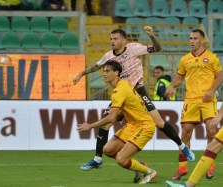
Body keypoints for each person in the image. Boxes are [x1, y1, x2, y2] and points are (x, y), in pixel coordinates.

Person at [72, 27, 195, 175]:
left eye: (115, 39)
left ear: (124, 40)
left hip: (138, 90)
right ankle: (98, 159)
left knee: (159, 122)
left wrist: (152, 36)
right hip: (123, 94)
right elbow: (96, 66)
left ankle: (182, 147)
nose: (112, 41)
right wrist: (81, 74)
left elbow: (157, 48)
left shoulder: (134, 48)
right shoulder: (108, 56)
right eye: (111, 39)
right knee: (106, 122)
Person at [77, 60, 157, 184]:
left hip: (145, 126)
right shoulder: (123, 84)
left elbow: (111, 119)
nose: (104, 74)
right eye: (103, 71)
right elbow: (127, 108)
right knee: (108, 150)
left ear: (117, 72)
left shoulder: (119, 90)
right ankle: (138, 166)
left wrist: (90, 126)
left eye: (108, 71)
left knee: (120, 159)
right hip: (133, 125)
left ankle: (149, 171)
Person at [165, 29, 222, 181]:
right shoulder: (185, 59)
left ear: (202, 40)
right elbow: (179, 78)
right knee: (185, 133)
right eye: (190, 38)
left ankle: (210, 165)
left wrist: (212, 90)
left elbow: (220, 76)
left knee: (211, 130)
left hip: (208, 99)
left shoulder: (212, 58)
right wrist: (172, 86)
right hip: (190, 100)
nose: (191, 41)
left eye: (195, 38)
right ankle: (182, 167)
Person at [165, 103, 223, 187]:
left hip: (207, 101)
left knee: (212, 144)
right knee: (212, 147)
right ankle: (187, 184)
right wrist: (219, 116)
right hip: (191, 100)